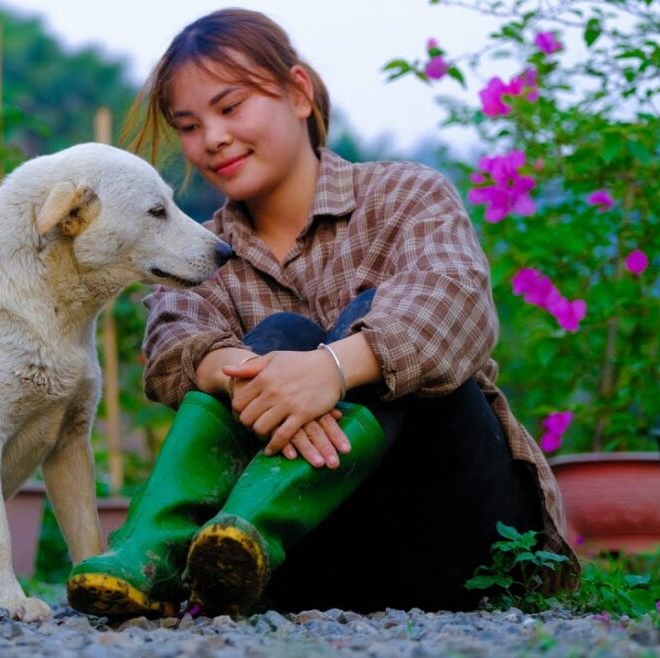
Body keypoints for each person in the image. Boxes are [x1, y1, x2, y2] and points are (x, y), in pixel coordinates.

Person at [66, 8, 579, 618]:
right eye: (190, 125)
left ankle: (172, 551)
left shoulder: (407, 195)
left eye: (230, 108)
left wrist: (333, 370)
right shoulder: (199, 251)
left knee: (369, 322)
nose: (213, 138)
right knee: (276, 341)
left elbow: (456, 307)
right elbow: (174, 343)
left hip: (454, 539)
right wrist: (263, 379)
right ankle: (161, 552)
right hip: (305, 559)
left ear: (300, 93)